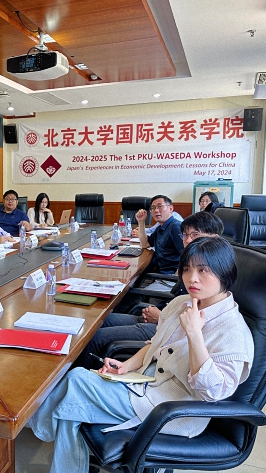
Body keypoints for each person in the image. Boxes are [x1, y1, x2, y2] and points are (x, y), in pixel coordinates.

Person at [28, 236, 254, 473]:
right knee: (72, 409)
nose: (191, 278)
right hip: (144, 384)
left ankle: (33, 424)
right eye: (187, 269)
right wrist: (127, 366)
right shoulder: (183, 303)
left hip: (172, 411)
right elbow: (155, 343)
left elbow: (215, 392)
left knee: (77, 380)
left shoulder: (233, 330)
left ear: (224, 272)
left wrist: (195, 334)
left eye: (202, 270)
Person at [74, 212, 224, 370]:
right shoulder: (191, 261)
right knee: (96, 321)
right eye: (185, 235)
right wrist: (161, 314)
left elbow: (196, 323)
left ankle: (86, 375)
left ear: (214, 238)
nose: (187, 240)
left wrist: (161, 317)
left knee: (95, 337)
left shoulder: (214, 275)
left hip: (167, 328)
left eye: (195, 235)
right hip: (163, 316)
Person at [136, 195, 184, 275]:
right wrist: (141, 222)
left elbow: (187, 254)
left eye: (160, 206)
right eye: (153, 208)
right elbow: (145, 244)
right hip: (159, 271)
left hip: (169, 275)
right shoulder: (160, 227)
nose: (156, 210)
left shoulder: (175, 227)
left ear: (170, 208)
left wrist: (176, 278)